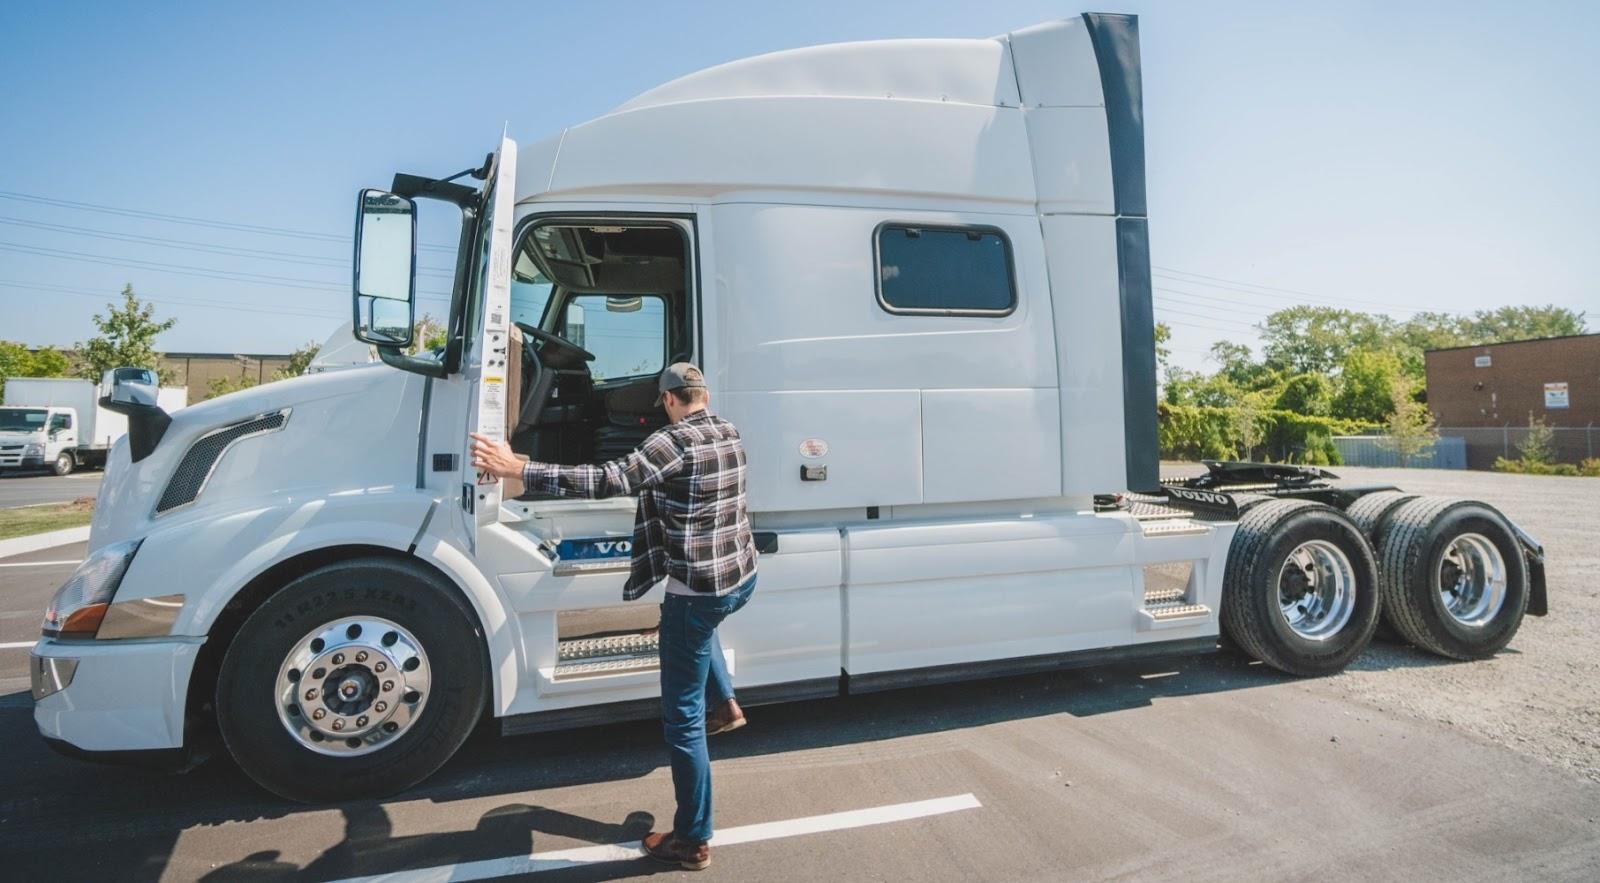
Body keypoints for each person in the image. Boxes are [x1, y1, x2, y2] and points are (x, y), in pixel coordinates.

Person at [470, 361, 757, 872]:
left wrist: (519, 469)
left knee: (682, 722)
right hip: (739, 578)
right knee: (693, 628)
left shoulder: (670, 444)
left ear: (668, 401)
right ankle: (727, 704)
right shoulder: (729, 430)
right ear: (703, 396)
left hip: (697, 592)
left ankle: (692, 839)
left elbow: (607, 479)